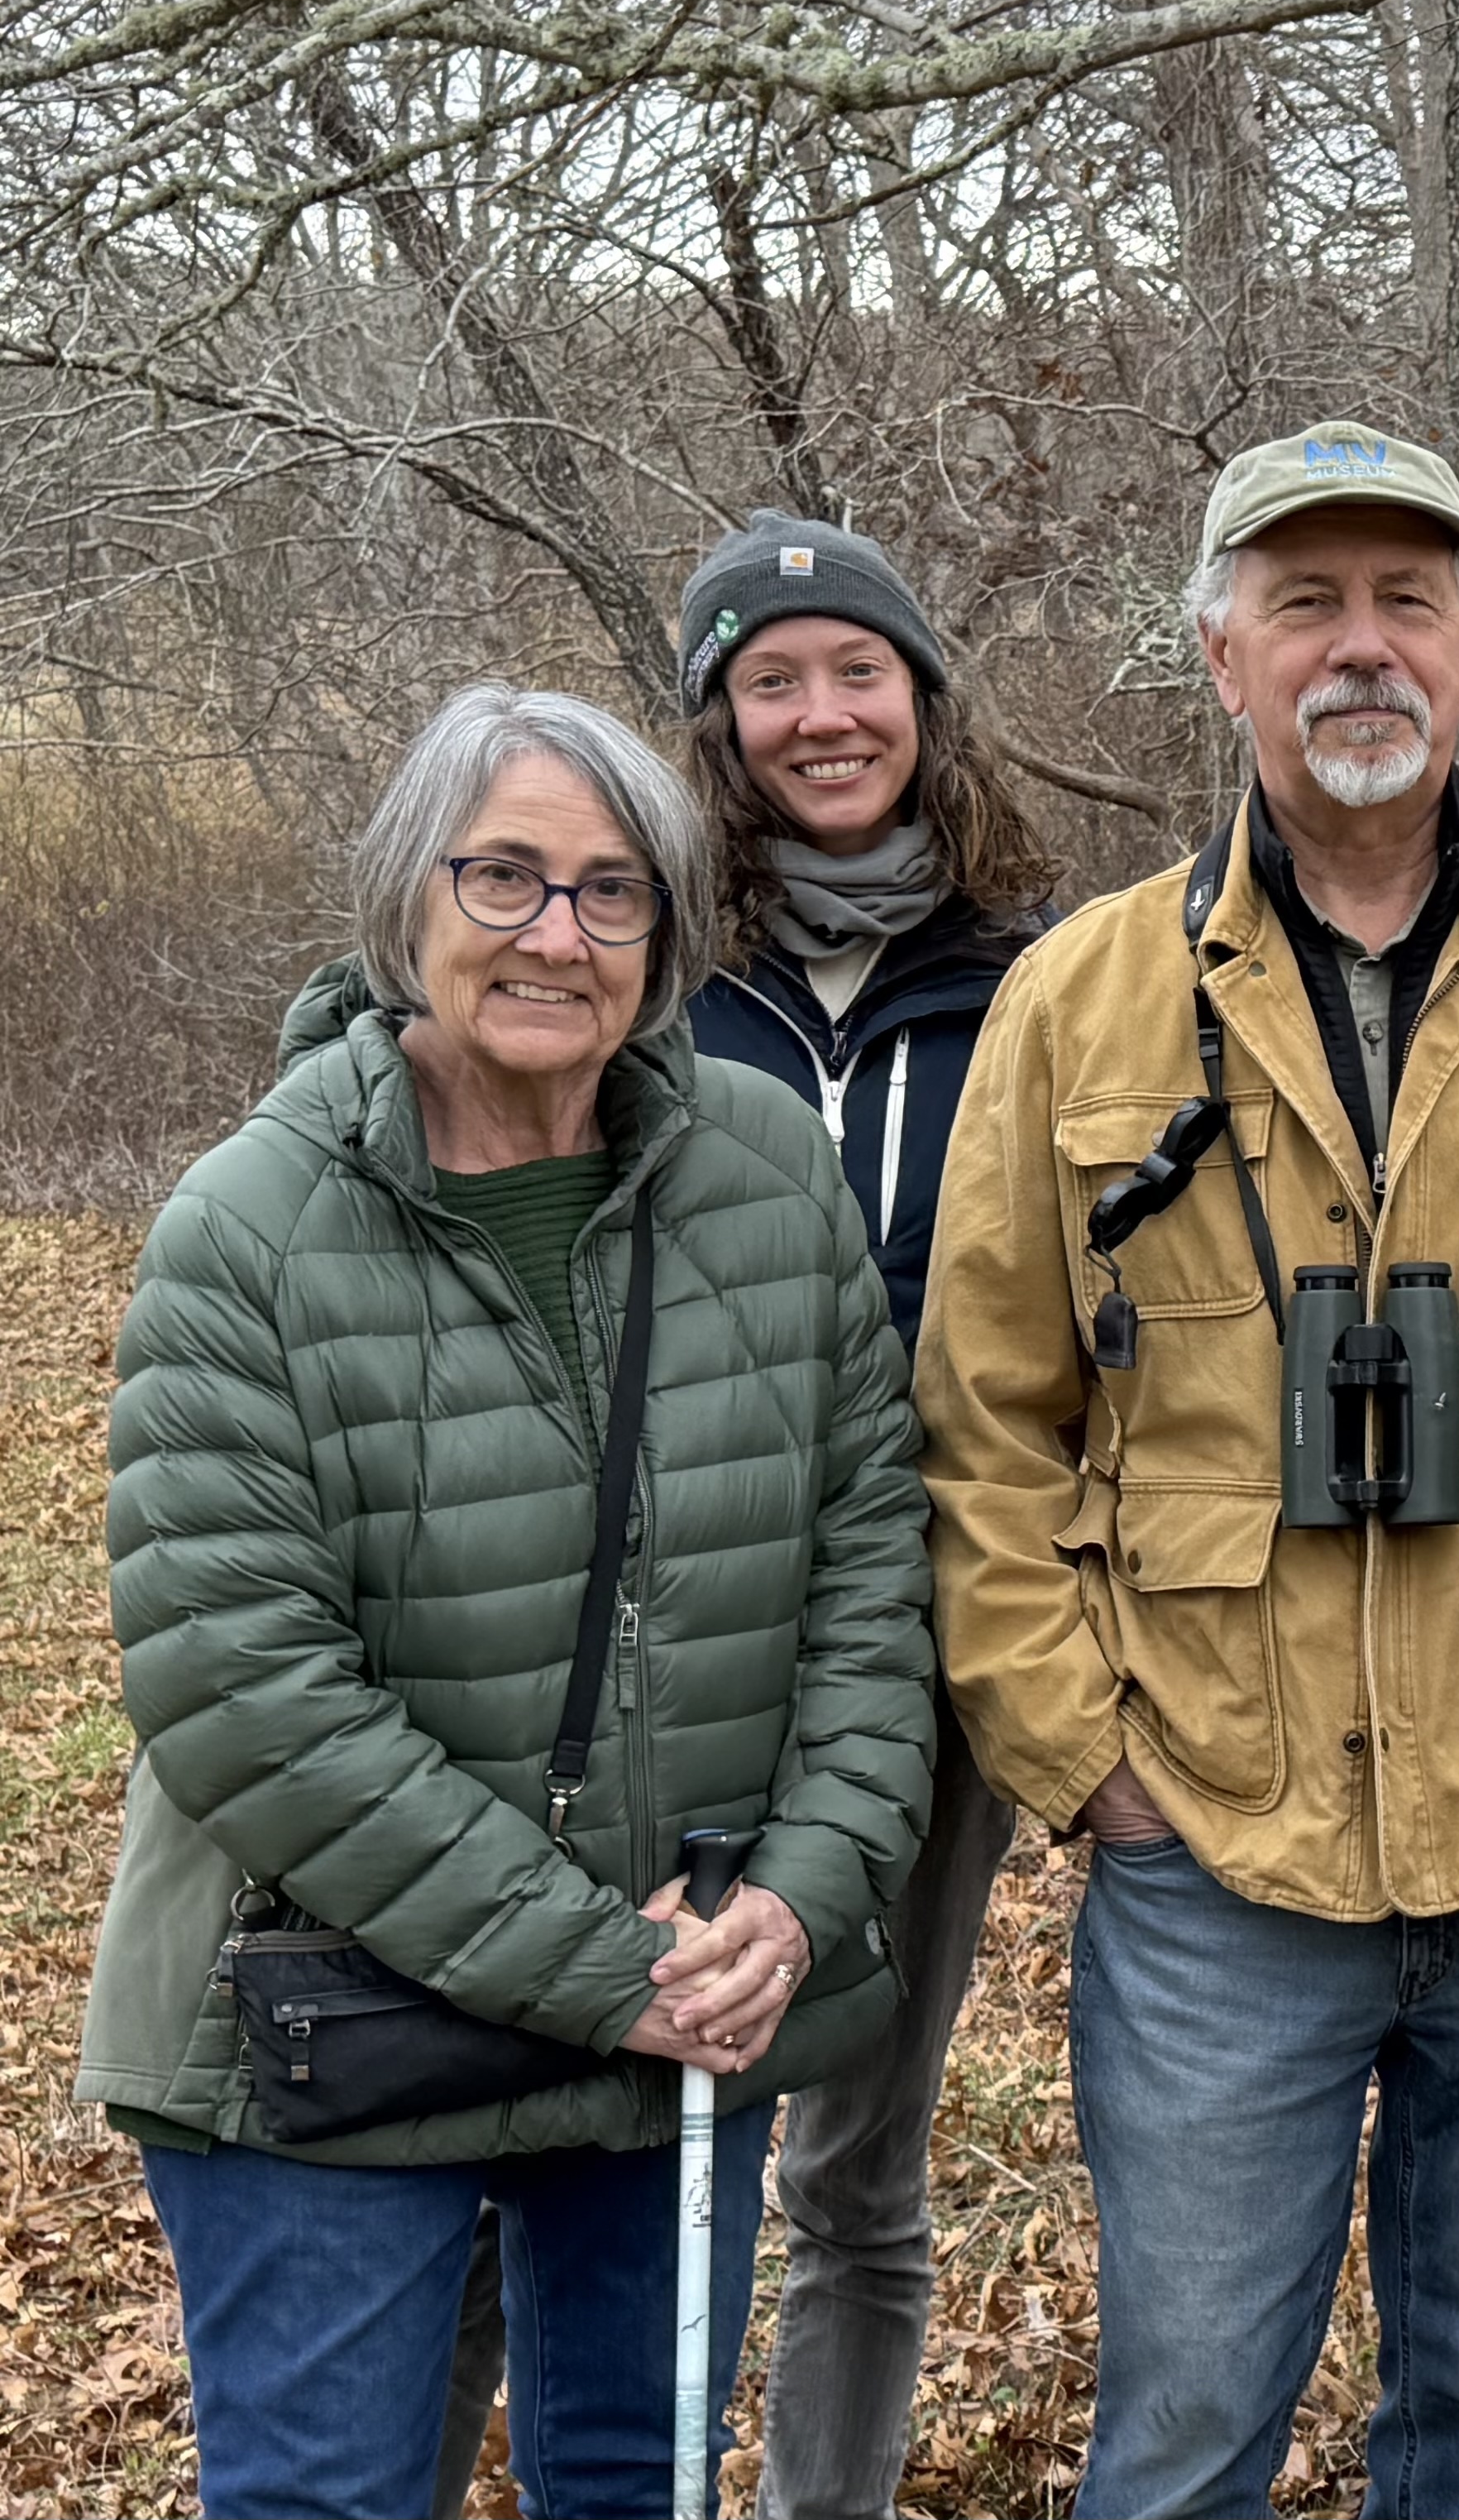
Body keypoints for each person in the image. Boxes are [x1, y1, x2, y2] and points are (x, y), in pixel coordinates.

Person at [918, 420, 1459, 2516]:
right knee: (1192, 2426)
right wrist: (1083, 1754)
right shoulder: (1079, 1004)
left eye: (1409, 600)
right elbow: (985, 1422)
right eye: (1304, 602)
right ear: (1220, 658)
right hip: (1219, 1852)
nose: (1360, 648)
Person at [88, 683, 934, 2512]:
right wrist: (606, 1968)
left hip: (683, 2017)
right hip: (325, 2027)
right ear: (408, 902)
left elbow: (876, 1564)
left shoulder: (765, 1171)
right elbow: (245, 1692)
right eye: (506, 877)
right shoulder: (249, 1228)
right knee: (333, 2494)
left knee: (637, 2481)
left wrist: (795, 1893)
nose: (559, 933)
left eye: (614, 890)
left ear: (668, 931)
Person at [669, 509, 1057, 2520]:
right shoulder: (652, 976)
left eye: (858, 673)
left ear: (923, 698)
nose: (823, 717)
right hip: (672, 1638)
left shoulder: (1038, 979)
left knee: (856, 2165)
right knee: (612, 2123)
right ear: (720, 728)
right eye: (772, 682)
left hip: (932, 1651)